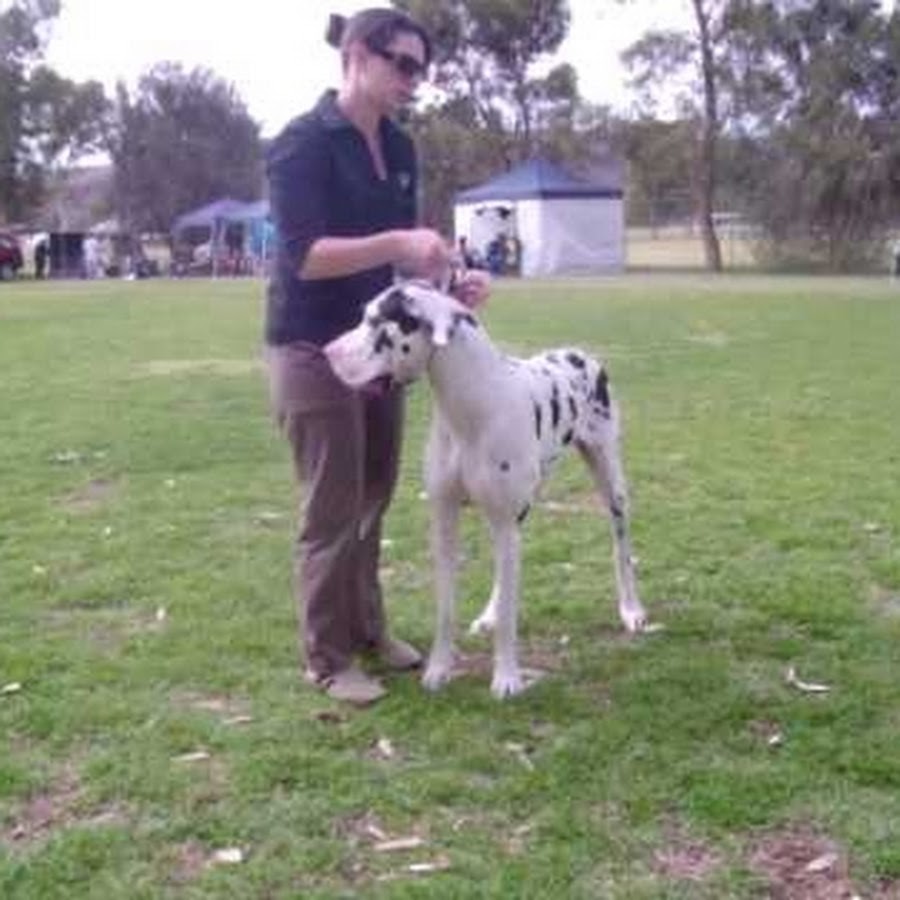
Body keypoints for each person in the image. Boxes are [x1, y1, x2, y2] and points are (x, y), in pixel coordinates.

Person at [265, 8, 489, 705]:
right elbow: (306, 256)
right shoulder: (301, 144)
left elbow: (408, 266)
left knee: (372, 499)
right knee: (331, 510)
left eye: (422, 69)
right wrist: (397, 243)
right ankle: (327, 658)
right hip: (313, 347)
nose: (414, 80)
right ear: (357, 55)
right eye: (403, 64)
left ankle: (367, 630)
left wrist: (449, 287)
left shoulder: (399, 146)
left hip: (382, 350)